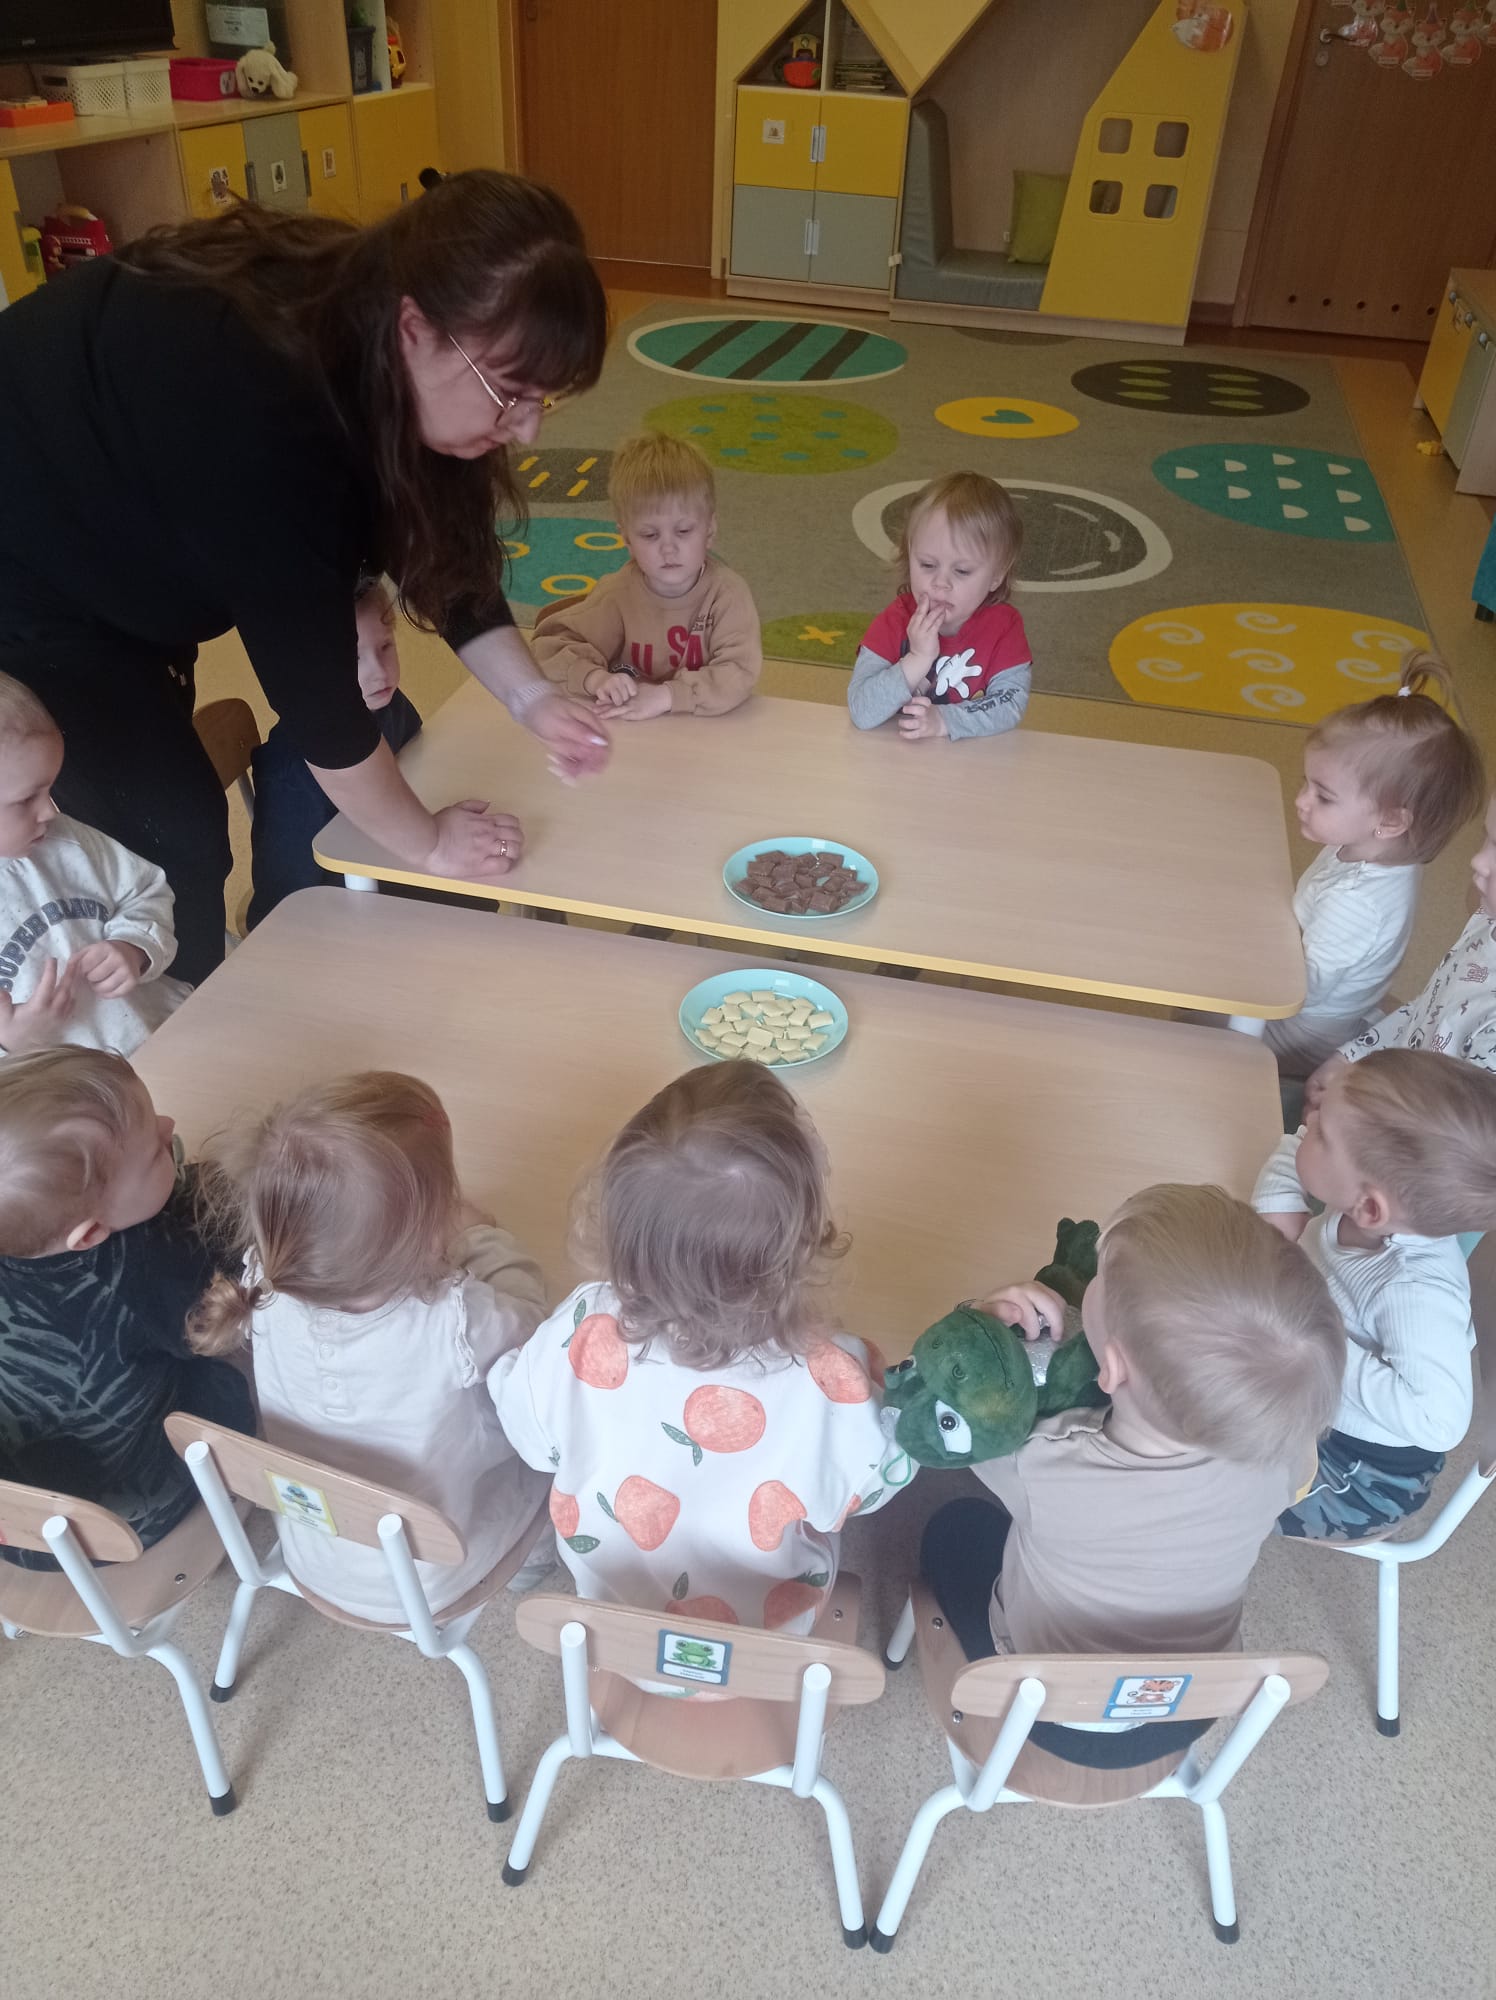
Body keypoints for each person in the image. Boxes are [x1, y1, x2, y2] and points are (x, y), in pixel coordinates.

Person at [0, 171, 612, 988]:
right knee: (166, 843)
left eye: (544, 400)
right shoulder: (267, 414)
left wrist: (531, 697)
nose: (527, 429)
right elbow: (322, 706)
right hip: (26, 559)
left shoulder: (375, 323)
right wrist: (428, 843)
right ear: (416, 329)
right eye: (510, 392)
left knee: (163, 827)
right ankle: (162, 1046)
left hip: (117, 520)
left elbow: (442, 550)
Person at [917, 1184, 1343, 1768]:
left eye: (1099, 1277)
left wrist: (984, 1321)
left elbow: (960, 1422)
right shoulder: (1284, 1451)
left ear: (1111, 1368)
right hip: (1187, 1707)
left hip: (1047, 1712)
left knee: (953, 1523)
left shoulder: (1042, 1458)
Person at [489, 1061, 910, 1636]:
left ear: (621, 1230)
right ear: (797, 1251)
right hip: (766, 1637)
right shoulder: (830, 1375)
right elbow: (876, 1483)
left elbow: (527, 1433)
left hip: (612, 1616)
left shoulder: (583, 1328)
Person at [188, 1071, 549, 1623]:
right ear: (434, 1232)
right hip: (439, 1572)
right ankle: (529, 1559)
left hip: (316, 1552)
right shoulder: (456, 1320)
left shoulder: (260, 1286)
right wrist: (485, 1242)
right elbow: (537, 1333)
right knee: (549, 1437)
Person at [0, 1048, 252, 1571]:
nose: (170, 1125)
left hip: (17, 1521)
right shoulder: (135, 1271)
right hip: (116, 1520)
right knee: (224, 1382)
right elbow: (215, 1321)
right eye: (158, 1153)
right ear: (91, 1234)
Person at [1253, 1049, 1496, 1538]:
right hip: (1311, 1389)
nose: (1309, 1120)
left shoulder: (1414, 1292)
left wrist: (1313, 1345)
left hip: (1359, 1474)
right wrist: (1282, 1193)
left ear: (1369, 1209)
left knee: (1197, 1474)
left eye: (1323, 1132)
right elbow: (1298, 1158)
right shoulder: (1367, 1203)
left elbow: (1439, 1422)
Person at [1268, 655, 1483, 1080]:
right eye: (1305, 783)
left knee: (1201, 1021)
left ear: (1390, 822)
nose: (1301, 800)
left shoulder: (1356, 904)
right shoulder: (1373, 845)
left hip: (1303, 1034)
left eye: (1324, 796)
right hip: (1320, 995)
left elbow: (1296, 990)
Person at [0, 673, 189, 1056]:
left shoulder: (65, 840)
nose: (50, 811)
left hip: (161, 1036)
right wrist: (12, 1042)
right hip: (67, 1086)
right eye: (26, 799)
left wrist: (132, 947)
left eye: (50, 789)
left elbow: (146, 891)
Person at [532, 433, 762, 720]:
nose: (668, 548)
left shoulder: (727, 595)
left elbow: (739, 673)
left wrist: (668, 696)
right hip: (630, 732)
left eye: (683, 531)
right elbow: (547, 650)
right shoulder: (617, 593)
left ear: (710, 531)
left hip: (704, 733)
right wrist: (595, 678)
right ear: (627, 539)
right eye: (650, 535)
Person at [1304, 786, 1496, 1111]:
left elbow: (1447, 1135)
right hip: (1382, 1087)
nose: (1476, 859)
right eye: (1487, 838)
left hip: (1398, 1130)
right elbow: (1428, 1008)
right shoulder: (1484, 921)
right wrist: (1351, 1057)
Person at [246, 577, 423, 927]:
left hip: (382, 855)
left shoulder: (386, 704)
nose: (379, 672)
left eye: (385, 646)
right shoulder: (291, 774)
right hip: (323, 915)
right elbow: (284, 897)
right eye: (352, 657)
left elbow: (417, 755)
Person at [847, 472, 1031, 742]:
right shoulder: (895, 621)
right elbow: (861, 711)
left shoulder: (1003, 627)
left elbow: (1010, 704)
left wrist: (945, 720)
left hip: (968, 761)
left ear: (997, 575)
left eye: (962, 570)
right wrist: (918, 658)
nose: (940, 583)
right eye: (927, 565)